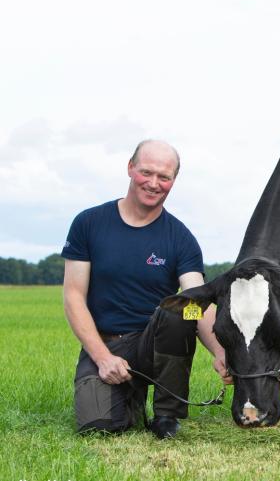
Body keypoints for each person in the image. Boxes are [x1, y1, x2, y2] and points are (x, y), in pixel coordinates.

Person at [62, 139, 231, 439]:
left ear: (173, 181)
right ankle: (131, 397)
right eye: (146, 172)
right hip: (106, 342)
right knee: (99, 428)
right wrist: (102, 358)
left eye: (164, 177)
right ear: (130, 168)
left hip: (154, 343)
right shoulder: (88, 223)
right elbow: (74, 296)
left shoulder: (181, 238)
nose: (154, 183)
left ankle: (167, 414)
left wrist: (221, 351)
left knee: (180, 308)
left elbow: (199, 303)